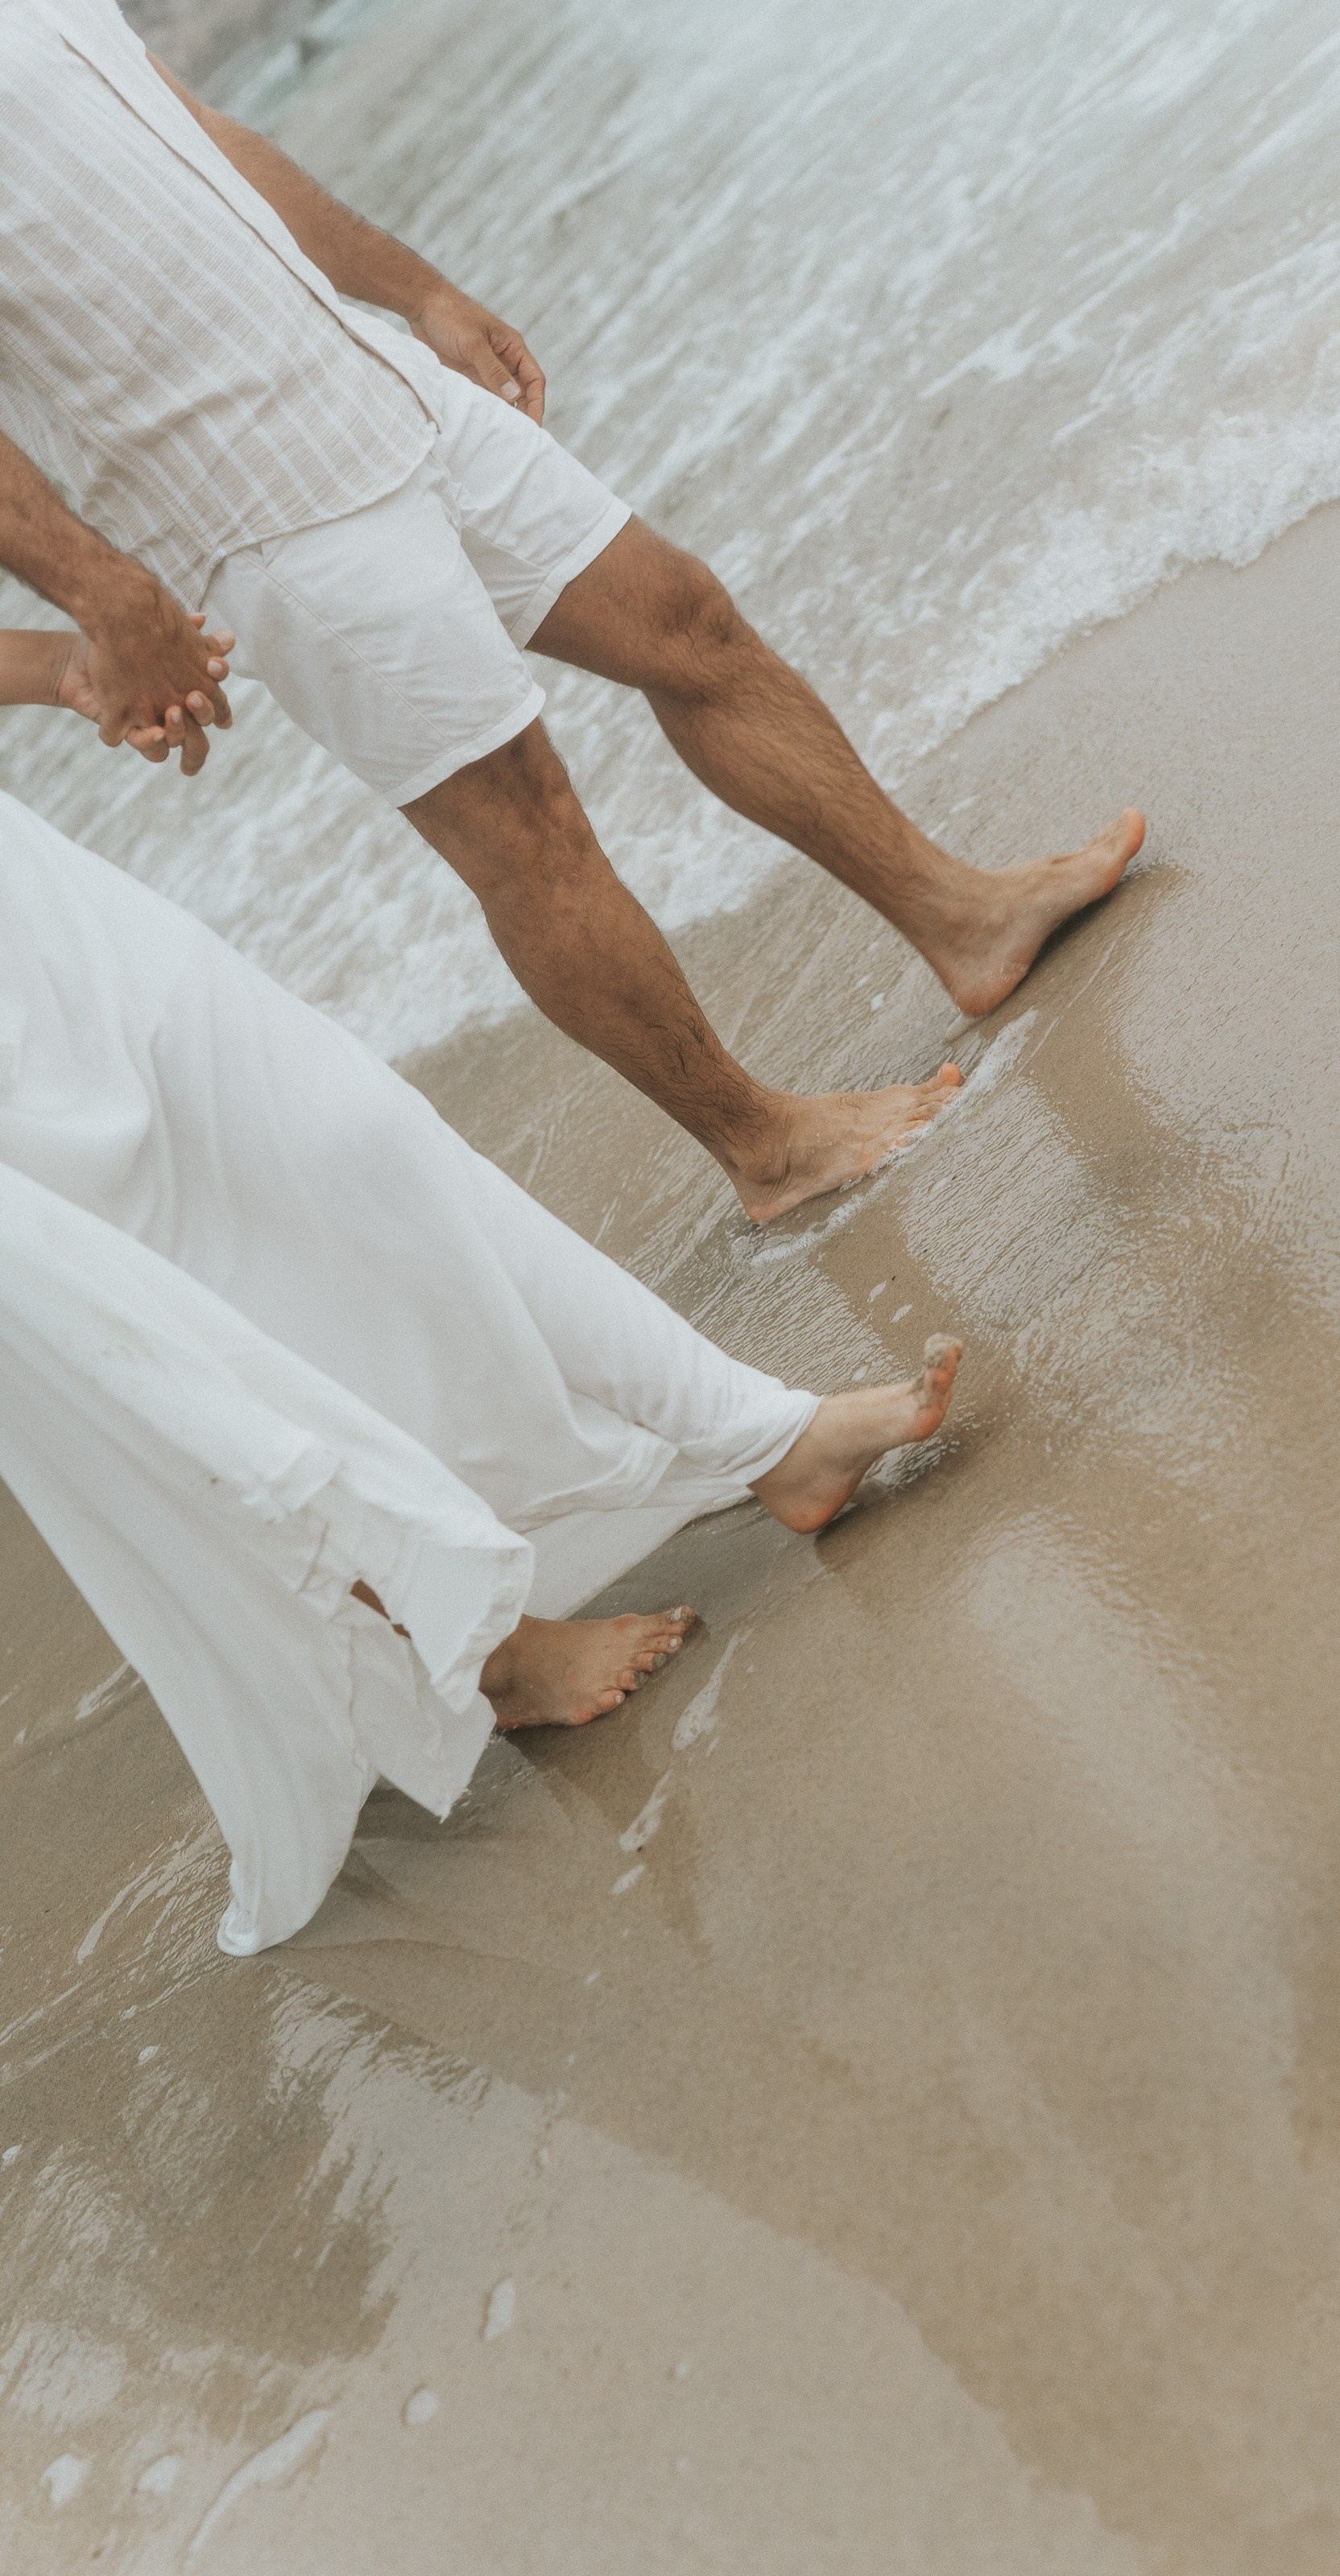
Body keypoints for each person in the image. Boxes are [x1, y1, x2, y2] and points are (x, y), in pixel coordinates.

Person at [0, 0, 1144, 1224]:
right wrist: (104, 591)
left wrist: (418, 294)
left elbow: (210, 138)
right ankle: (766, 1147)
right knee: (523, 823)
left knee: (684, 622)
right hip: (255, 513)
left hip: (371, 386)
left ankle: (961, 917)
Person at [0, 623, 963, 1957]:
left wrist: (58, 667)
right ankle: (484, 1655)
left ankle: (765, 1433)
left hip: (28, 909)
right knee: (163, 1353)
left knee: (353, 1143)